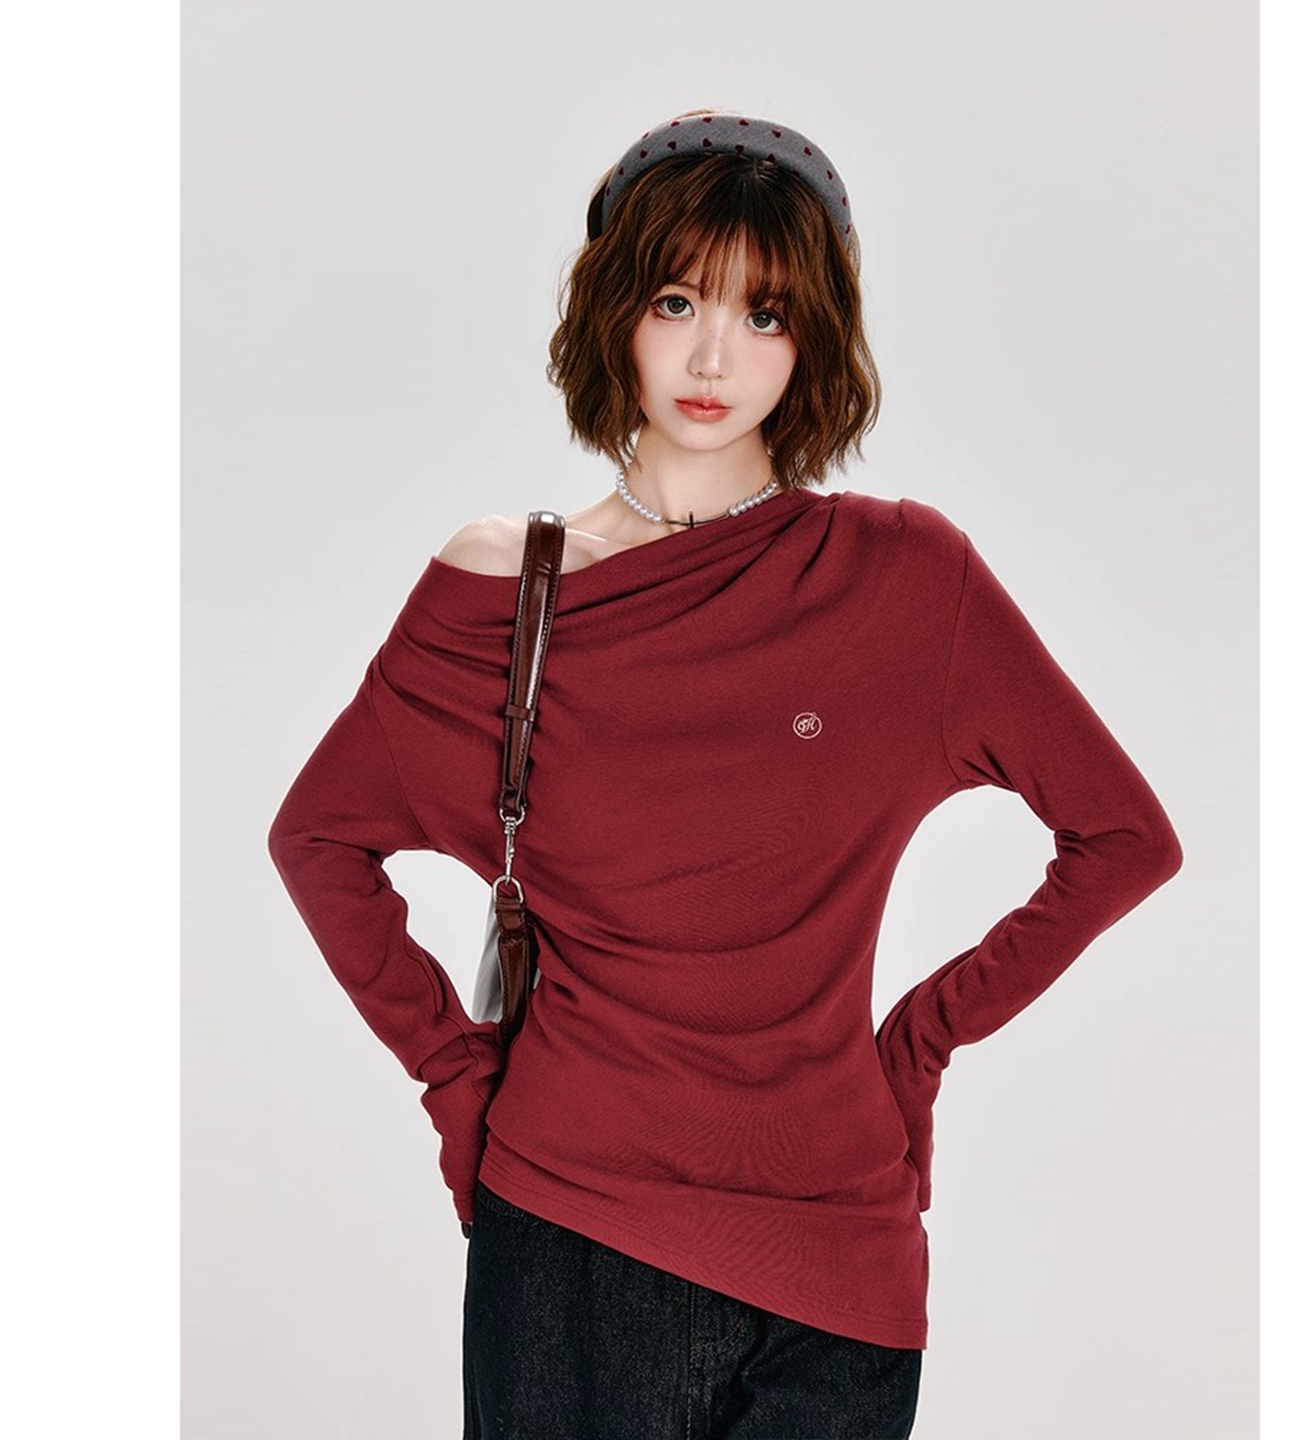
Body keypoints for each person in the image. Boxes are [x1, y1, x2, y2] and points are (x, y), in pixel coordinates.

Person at [267, 106, 1184, 1440]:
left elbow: (1125, 838)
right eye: (677, 301)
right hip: (576, 1242)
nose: (713, 357)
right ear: (614, 315)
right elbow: (319, 840)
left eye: (765, 314)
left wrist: (919, 1044)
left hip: (845, 1269)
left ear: (815, 340)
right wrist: (456, 1081)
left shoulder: (904, 578)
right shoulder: (504, 591)